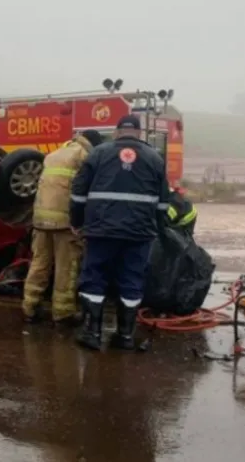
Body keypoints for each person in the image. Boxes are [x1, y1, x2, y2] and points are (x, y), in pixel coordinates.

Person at [69, 115, 170, 351]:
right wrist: (158, 228)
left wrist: (77, 221)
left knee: (95, 276)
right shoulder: (155, 158)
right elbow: (163, 202)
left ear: (116, 132)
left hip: (101, 230)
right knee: (132, 280)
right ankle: (125, 336)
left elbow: (78, 193)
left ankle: (92, 333)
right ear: (139, 133)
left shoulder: (98, 153)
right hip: (139, 233)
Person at [22, 130, 105, 327]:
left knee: (39, 264)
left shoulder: (54, 154)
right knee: (66, 267)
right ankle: (63, 313)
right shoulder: (85, 157)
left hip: (41, 219)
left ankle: (30, 307)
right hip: (64, 222)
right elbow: (87, 191)